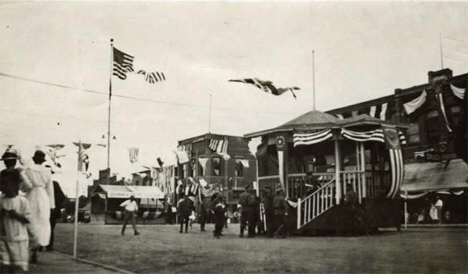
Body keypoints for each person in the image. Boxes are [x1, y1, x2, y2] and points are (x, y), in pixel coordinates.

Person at [23, 150, 55, 263]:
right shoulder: (47, 171)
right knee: (43, 221)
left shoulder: (28, 170)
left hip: (32, 195)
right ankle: (38, 246)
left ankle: (32, 246)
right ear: (42, 161)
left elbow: (24, 186)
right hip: (43, 197)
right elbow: (50, 189)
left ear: (34, 159)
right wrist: (52, 204)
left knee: (31, 221)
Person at [0, 169, 32, 273]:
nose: (2, 186)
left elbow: (28, 219)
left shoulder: (22, 201)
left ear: (14, 185)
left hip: (18, 238)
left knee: (15, 265)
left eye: (5, 183)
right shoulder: (1, 201)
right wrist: (2, 213)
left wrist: (16, 215)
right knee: (4, 263)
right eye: (1, 183)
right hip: (3, 237)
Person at [46, 166, 66, 251]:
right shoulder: (54, 184)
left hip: (45, 209)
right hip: (52, 210)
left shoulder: (41, 185)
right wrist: (56, 203)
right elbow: (62, 197)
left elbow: (62, 196)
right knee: (50, 227)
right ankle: (49, 245)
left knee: (42, 226)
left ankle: (40, 245)